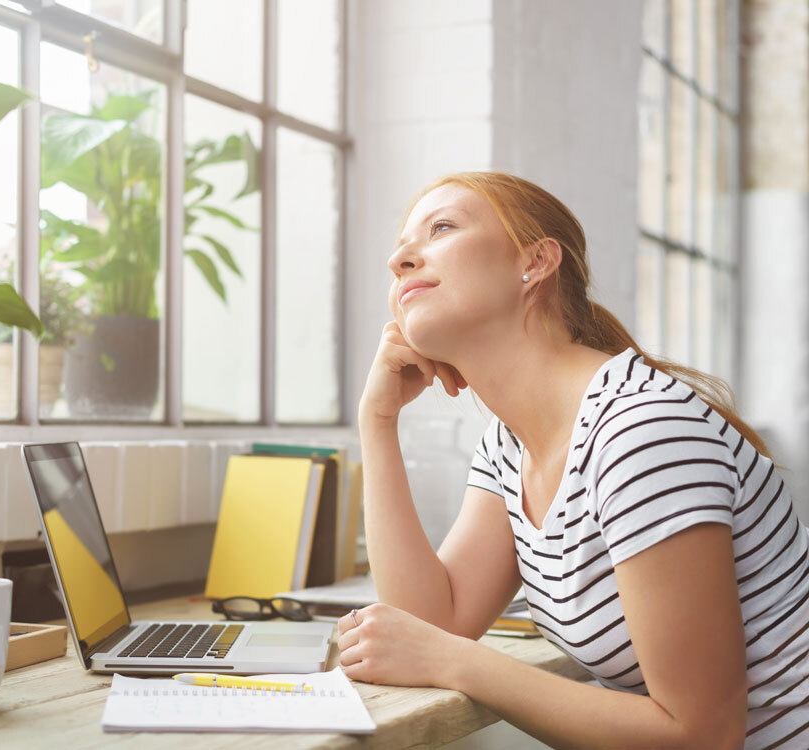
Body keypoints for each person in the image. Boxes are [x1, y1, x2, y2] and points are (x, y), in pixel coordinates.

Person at [338, 172, 809, 749]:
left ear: (534, 263)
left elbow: (705, 735)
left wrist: (459, 662)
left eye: (440, 228)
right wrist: (378, 422)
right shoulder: (511, 444)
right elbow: (431, 624)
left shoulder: (640, 430)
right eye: (402, 243)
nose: (399, 258)